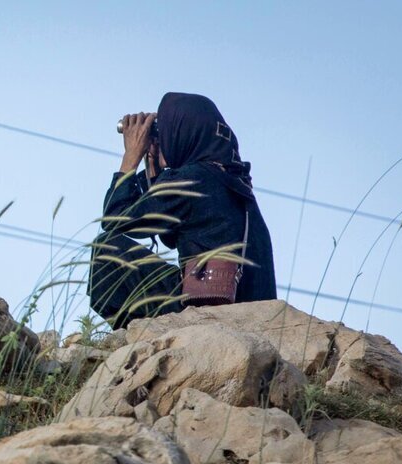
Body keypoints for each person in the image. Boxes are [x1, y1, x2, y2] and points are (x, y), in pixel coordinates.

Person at [88, 92, 277, 328]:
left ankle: (135, 337)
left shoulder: (193, 178)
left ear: (183, 134)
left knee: (106, 250)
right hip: (247, 314)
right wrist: (154, 169)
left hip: (208, 314)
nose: (163, 139)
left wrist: (131, 157)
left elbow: (115, 218)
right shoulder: (232, 182)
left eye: (167, 132)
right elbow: (169, 233)